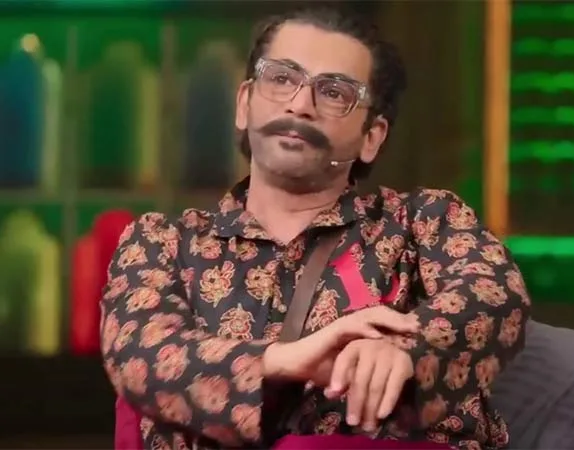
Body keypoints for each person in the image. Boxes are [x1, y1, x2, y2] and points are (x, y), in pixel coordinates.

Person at [100, 7, 531, 450]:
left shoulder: (422, 223)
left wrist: (406, 347)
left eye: (334, 92)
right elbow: (140, 353)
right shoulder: (162, 243)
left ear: (371, 137)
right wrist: (286, 361)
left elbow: (496, 296)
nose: (300, 105)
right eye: (281, 78)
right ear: (245, 104)